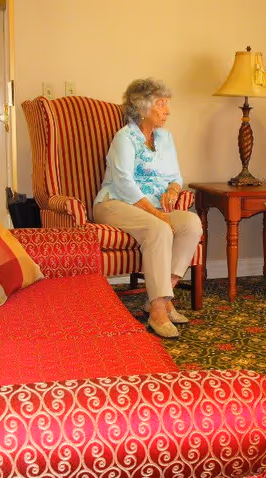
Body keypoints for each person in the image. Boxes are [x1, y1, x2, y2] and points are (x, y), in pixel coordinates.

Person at [93, 78, 202, 338]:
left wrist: (173, 190)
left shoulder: (165, 137)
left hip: (152, 205)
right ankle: (157, 311)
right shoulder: (124, 138)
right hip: (115, 202)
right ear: (142, 107)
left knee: (190, 223)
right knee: (159, 228)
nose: (167, 111)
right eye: (161, 104)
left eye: (166, 104)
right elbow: (124, 183)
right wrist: (157, 214)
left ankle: (164, 296)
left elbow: (176, 175)